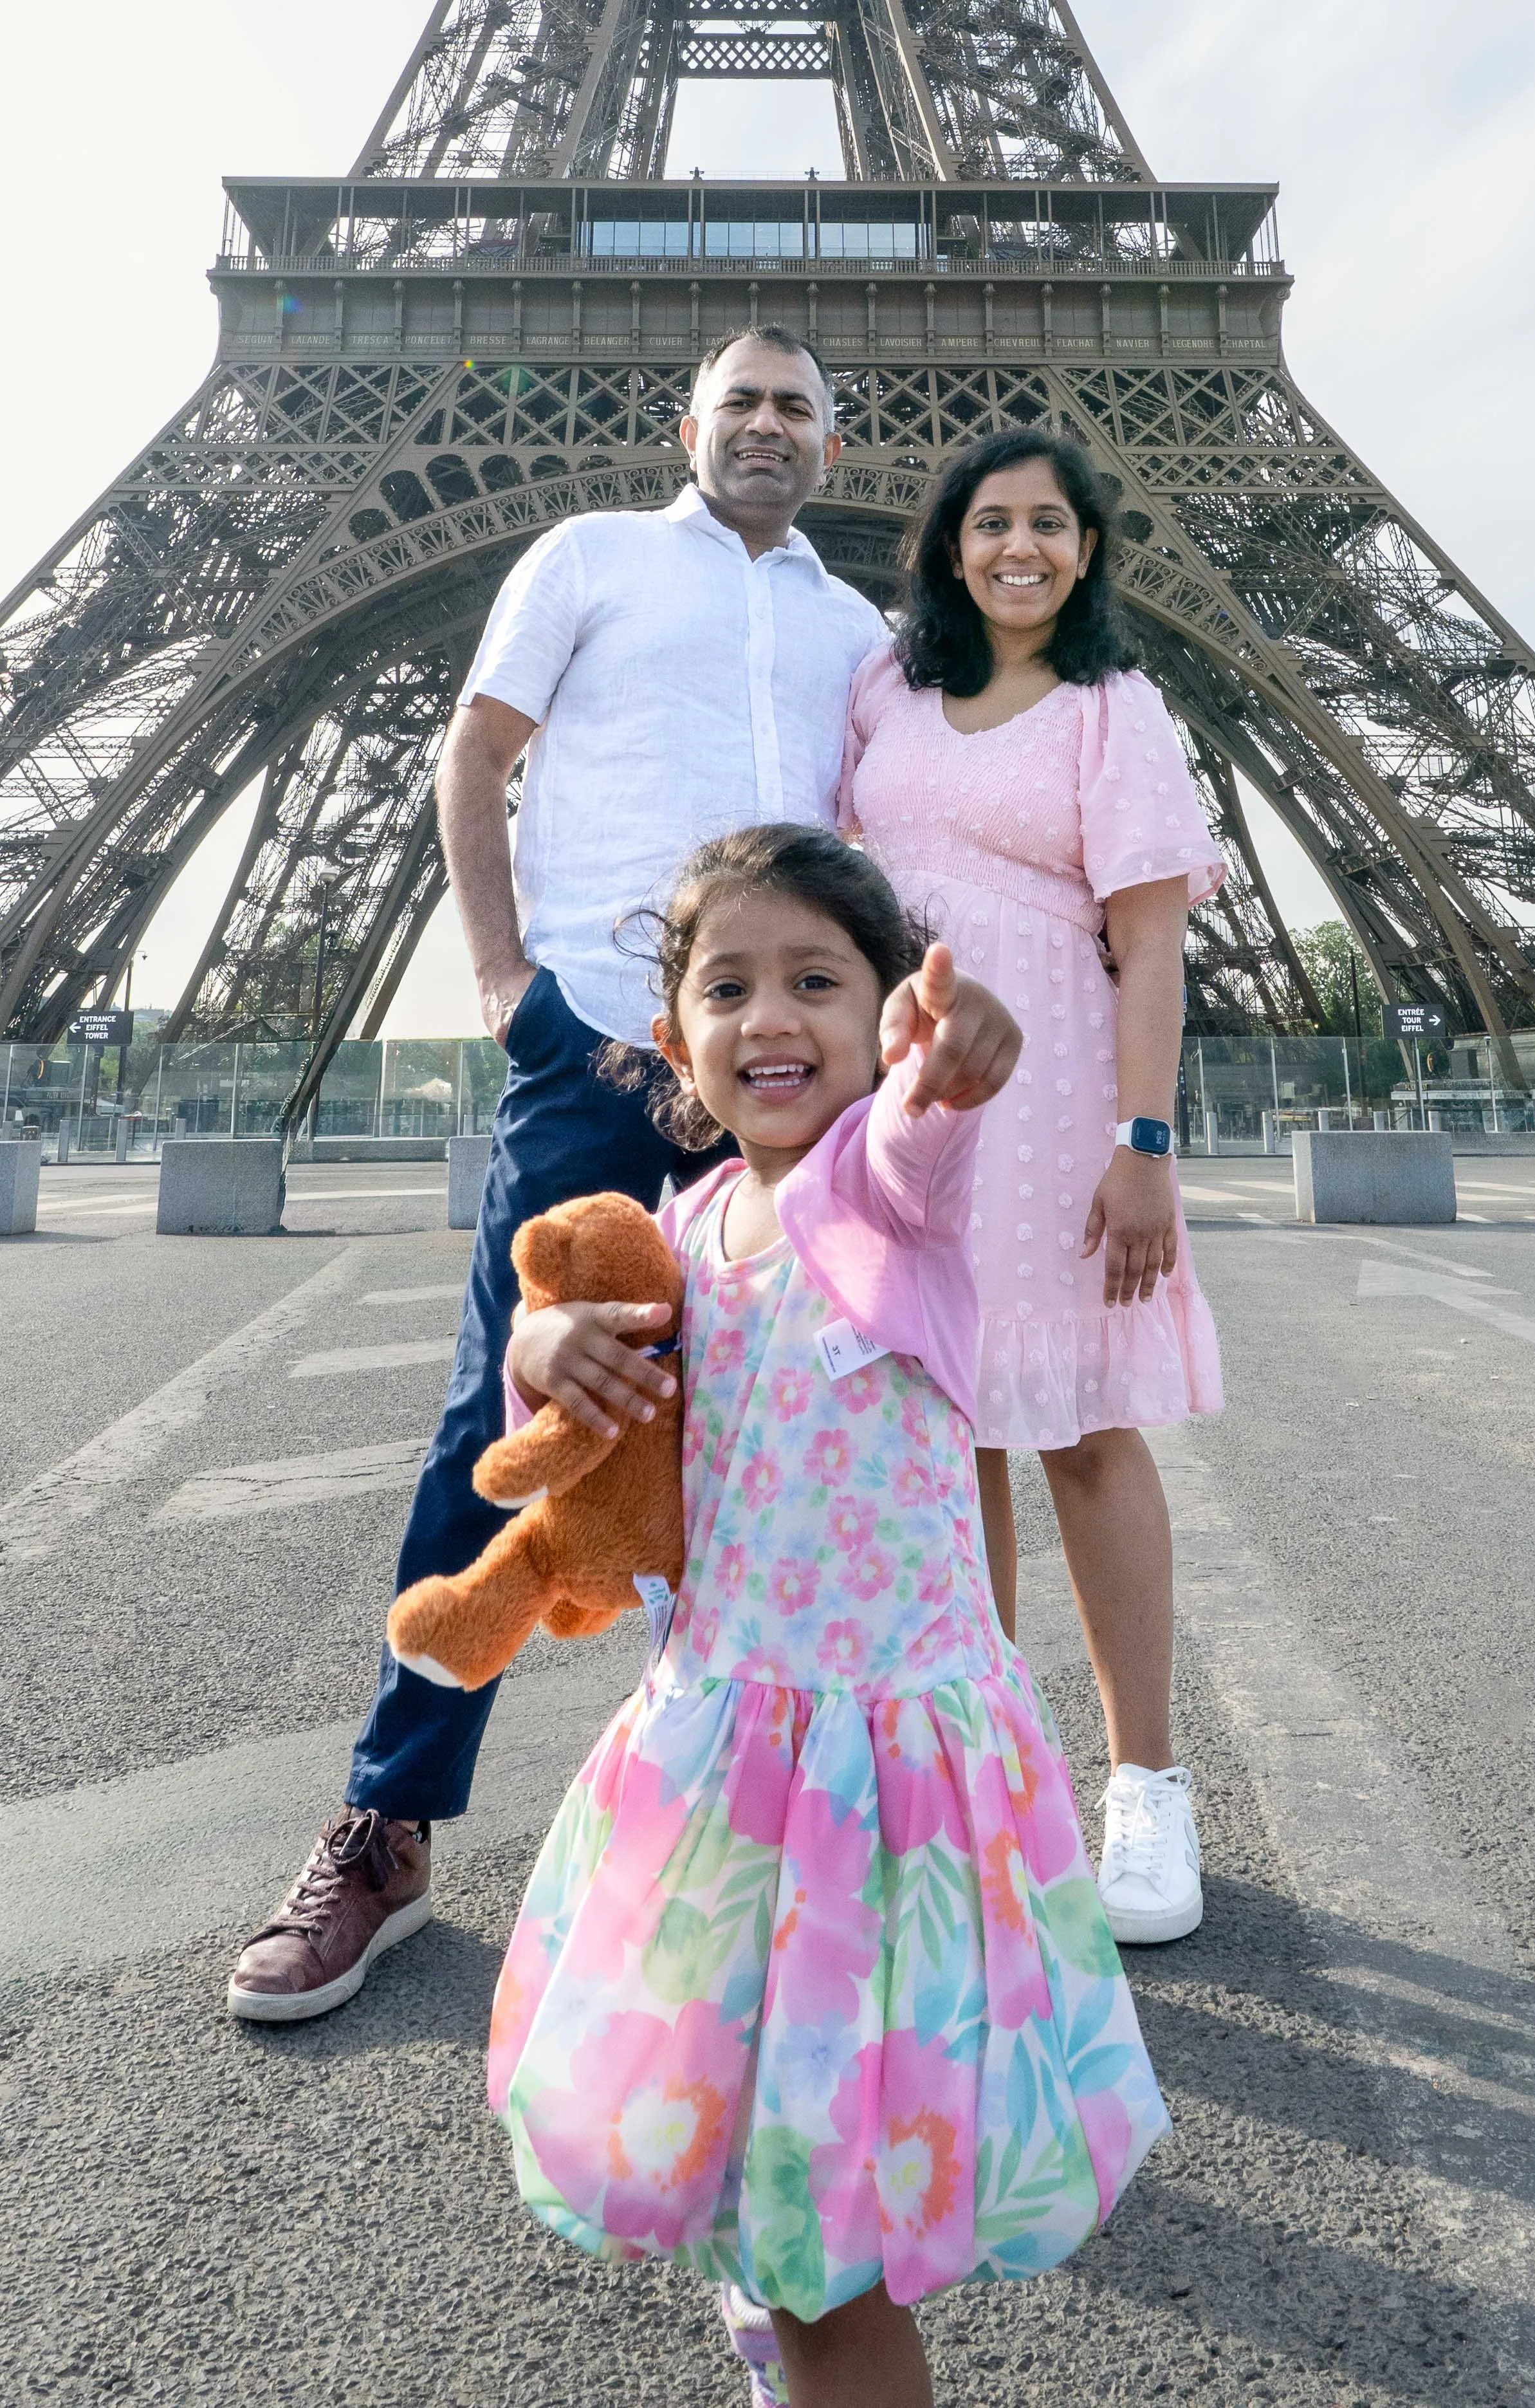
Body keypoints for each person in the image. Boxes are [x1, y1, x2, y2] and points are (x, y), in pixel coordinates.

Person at [226, 324, 990, 2024]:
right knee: (500, 1417)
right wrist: (507, 986)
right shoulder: (581, 555)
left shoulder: (850, 631)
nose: (768, 427)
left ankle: (847, 1817)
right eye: (743, 403)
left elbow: (891, 839)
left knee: (816, 1415)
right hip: (595, 1041)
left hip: (783, 1064)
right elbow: (475, 754)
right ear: (686, 422)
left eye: (796, 407)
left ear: (833, 445)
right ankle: (389, 1816)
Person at [488, 825, 1169, 2408]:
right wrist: (542, 1342)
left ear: (881, 1019)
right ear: (673, 1042)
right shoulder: (682, 1220)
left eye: (817, 978)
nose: (772, 1015)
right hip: (725, 1756)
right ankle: (775, 2296)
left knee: (824, 2237)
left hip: (874, 1790)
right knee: (747, 2109)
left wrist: (957, 1061)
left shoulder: (885, 1192)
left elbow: (925, 1133)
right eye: (728, 986)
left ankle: (802, 2328)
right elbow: (579, 1399)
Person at [838, 427, 1226, 1950]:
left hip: (1057, 1102)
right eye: (990, 521)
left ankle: (1143, 1782)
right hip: (905, 1098)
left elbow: (1150, 943)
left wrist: (1145, 1147)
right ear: (945, 544)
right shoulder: (882, 687)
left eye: (1047, 525)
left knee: (1081, 1433)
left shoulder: (1110, 708)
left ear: (1082, 550)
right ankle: (985, 1775)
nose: (1019, 546)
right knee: (947, 1434)